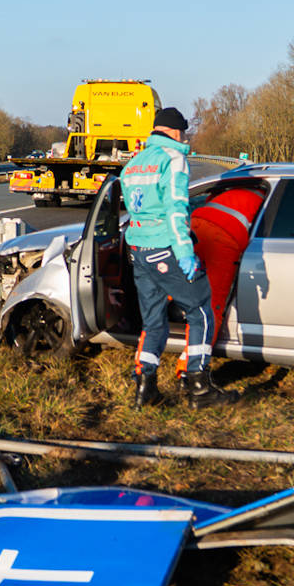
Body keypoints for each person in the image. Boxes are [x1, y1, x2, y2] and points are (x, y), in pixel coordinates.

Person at [119, 106, 227, 409]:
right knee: (201, 311)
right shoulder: (174, 160)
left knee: (153, 321)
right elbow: (177, 211)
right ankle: (199, 387)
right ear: (177, 132)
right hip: (165, 247)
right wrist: (185, 254)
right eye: (185, 131)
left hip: (138, 250)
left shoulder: (134, 163)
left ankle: (145, 386)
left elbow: (134, 212)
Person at [186, 177, 268, 368]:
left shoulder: (232, 186)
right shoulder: (266, 197)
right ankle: (190, 369)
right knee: (211, 306)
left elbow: (207, 200)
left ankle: (170, 306)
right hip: (223, 238)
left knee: (178, 284)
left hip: (195, 226)